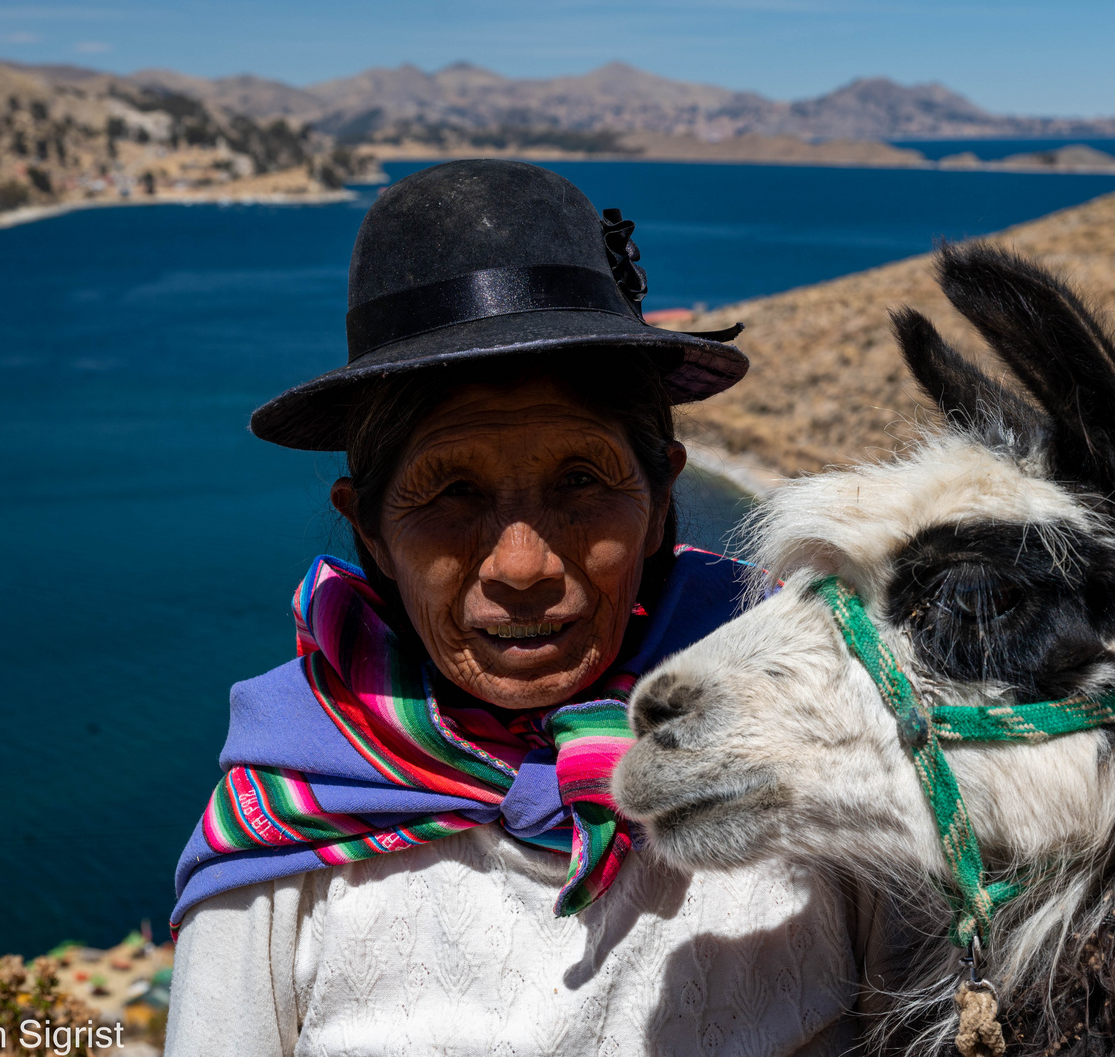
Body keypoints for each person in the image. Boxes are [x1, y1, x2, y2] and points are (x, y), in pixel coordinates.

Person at [164, 161, 885, 1056]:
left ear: (661, 494)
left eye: (581, 481)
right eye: (451, 493)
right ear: (372, 533)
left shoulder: (825, 749)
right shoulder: (284, 825)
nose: (522, 565)